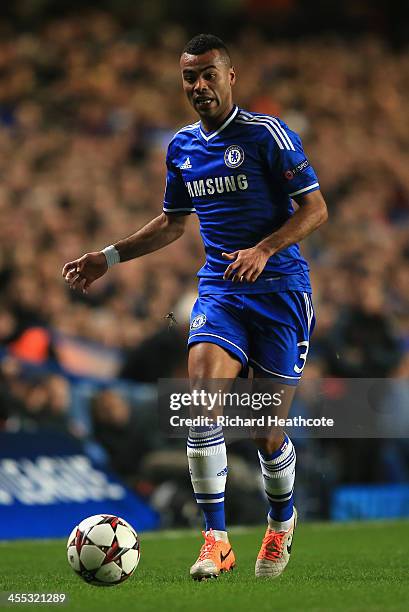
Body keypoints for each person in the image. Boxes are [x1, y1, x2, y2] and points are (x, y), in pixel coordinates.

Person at [63, 33, 328, 581]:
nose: (200, 85)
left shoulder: (268, 135)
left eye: (209, 74)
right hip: (221, 291)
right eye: (190, 77)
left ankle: (281, 520)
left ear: (232, 76)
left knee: (265, 432)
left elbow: (316, 209)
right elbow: (173, 223)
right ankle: (216, 540)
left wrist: (264, 248)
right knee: (201, 402)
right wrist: (107, 258)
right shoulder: (182, 146)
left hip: (280, 291)